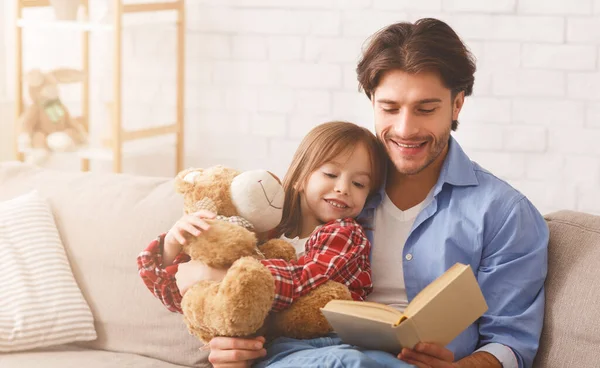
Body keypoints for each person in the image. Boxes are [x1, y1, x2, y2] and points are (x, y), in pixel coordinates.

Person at [198, 18, 549, 368]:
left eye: (426, 109)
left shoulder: (504, 212)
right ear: (371, 101)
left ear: (457, 106)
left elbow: (510, 342)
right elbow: (242, 264)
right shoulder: (335, 188)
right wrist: (229, 342)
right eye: (389, 108)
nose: (405, 129)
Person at [137, 121, 387, 350]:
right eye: (331, 174)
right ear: (301, 176)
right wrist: (172, 246)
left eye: (359, 184)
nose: (343, 188)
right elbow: (181, 297)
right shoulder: (263, 233)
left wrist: (220, 276)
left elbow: (302, 281)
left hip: (325, 342)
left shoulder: (346, 234)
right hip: (262, 345)